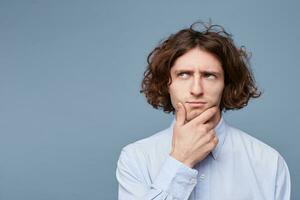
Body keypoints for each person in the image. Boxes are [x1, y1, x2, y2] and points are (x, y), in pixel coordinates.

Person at [116, 22, 291, 200]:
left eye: (209, 75)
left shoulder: (269, 162)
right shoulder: (136, 158)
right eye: (184, 74)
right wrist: (181, 161)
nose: (197, 89)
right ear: (167, 84)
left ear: (226, 84)